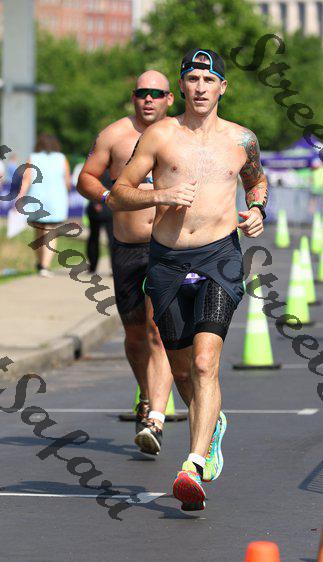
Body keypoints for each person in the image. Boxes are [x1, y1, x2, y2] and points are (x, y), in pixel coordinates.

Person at [108, 49, 267, 510]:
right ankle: (212, 424)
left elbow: (256, 182)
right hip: (167, 262)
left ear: (222, 87)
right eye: (192, 79)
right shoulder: (160, 135)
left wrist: (258, 209)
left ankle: (194, 464)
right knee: (180, 371)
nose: (200, 87)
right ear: (181, 87)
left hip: (220, 258)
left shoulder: (242, 140)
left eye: (208, 79)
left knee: (203, 363)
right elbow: (118, 194)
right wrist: (161, 195)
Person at [77, 71, 174, 454]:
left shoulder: (180, 135)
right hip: (128, 247)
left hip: (168, 248)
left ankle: (156, 419)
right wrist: (107, 196)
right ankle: (146, 396)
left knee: (158, 332)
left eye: (157, 94)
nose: (149, 99)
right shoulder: (114, 135)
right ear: (134, 97)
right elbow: (86, 177)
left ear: (169, 98)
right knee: (135, 334)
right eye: (142, 93)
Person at [18, 134, 71, 277]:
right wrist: (66, 193)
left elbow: (26, 179)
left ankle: (41, 263)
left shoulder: (33, 157)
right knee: (51, 232)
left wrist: (21, 196)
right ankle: (45, 266)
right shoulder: (62, 158)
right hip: (56, 200)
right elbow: (67, 181)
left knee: (39, 231)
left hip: (36, 200)